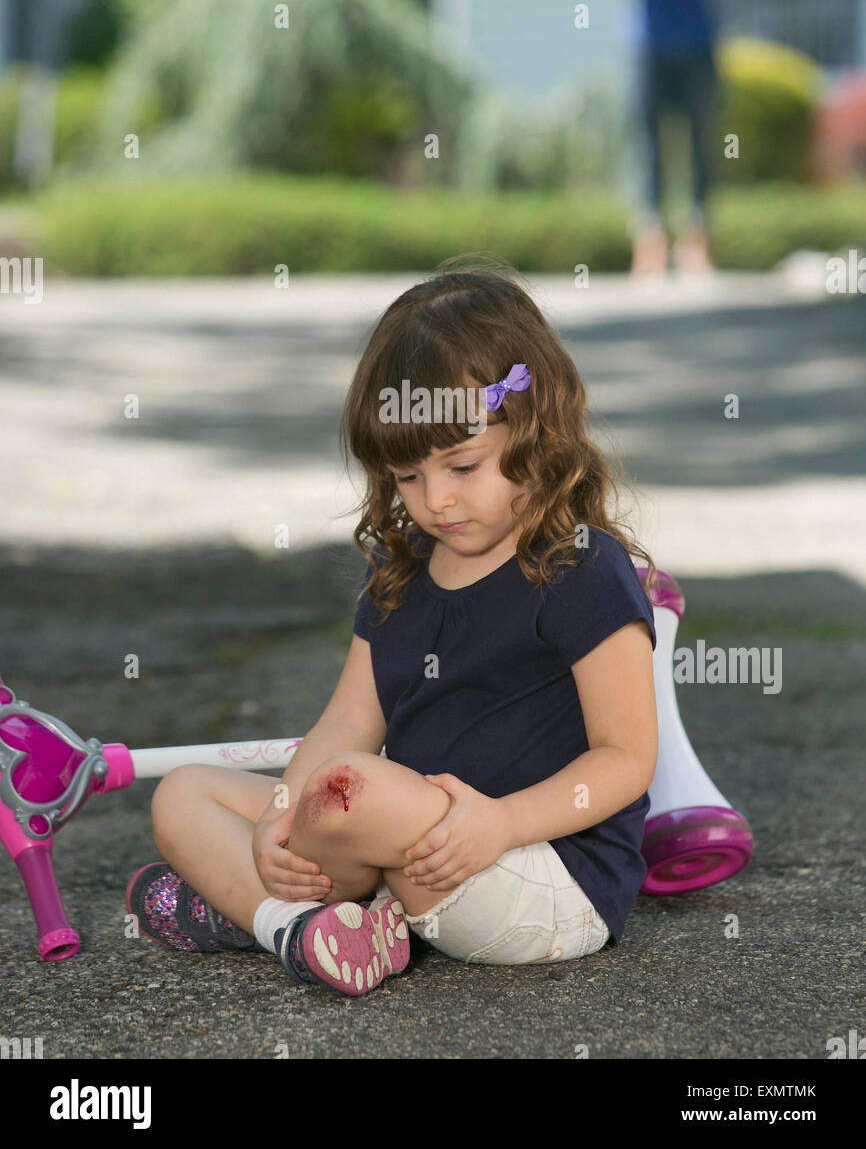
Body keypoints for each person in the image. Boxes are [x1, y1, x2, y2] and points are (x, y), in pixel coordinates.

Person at [126, 258, 660, 995]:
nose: (435, 499)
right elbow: (348, 721)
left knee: (351, 789)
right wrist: (276, 823)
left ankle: (254, 909)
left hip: (536, 872)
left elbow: (626, 758)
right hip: (397, 849)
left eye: (463, 465)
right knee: (184, 793)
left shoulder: (581, 568)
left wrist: (501, 823)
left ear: (535, 430)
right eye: (408, 477)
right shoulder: (403, 569)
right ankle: (298, 930)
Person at [566, 0, 761, 276]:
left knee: (699, 147)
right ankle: (650, 247)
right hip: (646, 54)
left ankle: (697, 246)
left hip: (696, 50)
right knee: (647, 150)